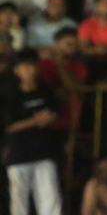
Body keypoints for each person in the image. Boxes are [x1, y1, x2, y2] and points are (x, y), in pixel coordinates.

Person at [5, 50, 62, 215]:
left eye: (33, 66)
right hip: (19, 153)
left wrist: (47, 119)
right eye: (25, 67)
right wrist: (35, 121)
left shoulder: (46, 91)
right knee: (19, 201)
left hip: (44, 151)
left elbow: (55, 112)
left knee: (50, 199)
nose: (30, 70)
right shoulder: (10, 95)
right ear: (17, 71)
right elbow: (8, 126)